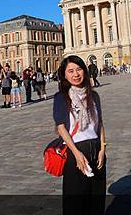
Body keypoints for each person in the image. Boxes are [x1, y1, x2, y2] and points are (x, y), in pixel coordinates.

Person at [53, 56, 106, 215]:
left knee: (96, 200)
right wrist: (76, 154)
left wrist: (102, 149)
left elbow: (100, 124)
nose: (75, 74)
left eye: (79, 69)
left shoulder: (94, 96)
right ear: (64, 75)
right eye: (71, 71)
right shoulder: (61, 97)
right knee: (75, 202)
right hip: (75, 150)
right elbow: (61, 128)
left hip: (96, 149)